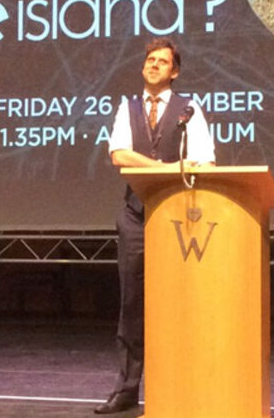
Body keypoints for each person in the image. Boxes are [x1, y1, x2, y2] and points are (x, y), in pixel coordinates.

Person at [95, 38, 215, 415]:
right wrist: (164, 168)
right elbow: (119, 154)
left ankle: (178, 388)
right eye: (150, 60)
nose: (154, 65)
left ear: (174, 72)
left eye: (162, 61)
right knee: (131, 304)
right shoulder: (127, 107)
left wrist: (178, 169)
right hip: (135, 216)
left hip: (177, 217)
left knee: (177, 304)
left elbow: (204, 160)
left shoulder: (189, 109)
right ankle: (127, 390)